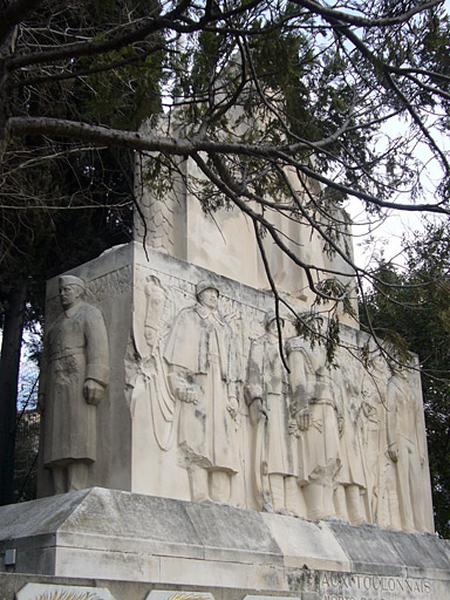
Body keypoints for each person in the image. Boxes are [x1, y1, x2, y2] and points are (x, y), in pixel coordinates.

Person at [164, 280, 241, 504]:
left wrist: (233, 395)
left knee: (223, 443)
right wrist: (181, 385)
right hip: (198, 382)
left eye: (215, 293)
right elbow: (176, 359)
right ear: (199, 295)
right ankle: (199, 493)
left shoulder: (225, 326)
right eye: (208, 292)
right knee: (197, 438)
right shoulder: (188, 317)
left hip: (221, 386)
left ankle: (221, 496)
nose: (212, 297)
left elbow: (233, 366)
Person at [41, 275, 109, 493]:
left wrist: (95, 378)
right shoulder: (55, 325)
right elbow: (46, 360)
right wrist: (42, 392)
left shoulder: (89, 313)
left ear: (79, 291)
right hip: (56, 378)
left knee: (78, 432)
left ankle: (76, 486)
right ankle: (59, 488)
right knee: (55, 437)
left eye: (67, 289)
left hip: (78, 376)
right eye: (61, 291)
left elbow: (98, 347)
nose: (63, 294)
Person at [246, 311, 299, 514]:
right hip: (270, 399)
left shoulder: (285, 349)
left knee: (289, 457)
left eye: (280, 324)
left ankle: (288, 503)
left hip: (284, 402)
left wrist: (294, 409)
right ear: (268, 325)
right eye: (275, 323)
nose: (278, 327)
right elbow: (254, 372)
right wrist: (257, 400)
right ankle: (274, 501)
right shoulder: (260, 344)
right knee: (273, 454)